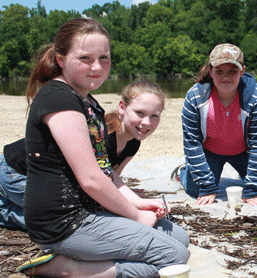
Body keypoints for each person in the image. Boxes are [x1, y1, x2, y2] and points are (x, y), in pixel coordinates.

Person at [16, 18, 189, 278]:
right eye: (85, 58)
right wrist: (135, 216)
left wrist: (140, 204)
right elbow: (91, 179)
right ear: (61, 59)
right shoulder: (58, 98)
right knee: (174, 256)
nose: (96, 67)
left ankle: (93, 252)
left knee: (180, 237)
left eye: (103, 58)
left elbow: (106, 171)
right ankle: (67, 267)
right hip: (65, 222)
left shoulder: (87, 101)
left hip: (91, 211)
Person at [0, 80, 168, 230]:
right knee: (67, 221)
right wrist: (133, 206)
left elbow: (111, 178)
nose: (146, 122)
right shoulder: (103, 135)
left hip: (48, 179)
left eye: (154, 116)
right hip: (16, 170)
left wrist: (135, 201)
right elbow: (93, 185)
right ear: (122, 108)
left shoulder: (133, 143)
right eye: (140, 113)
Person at [177, 43, 257, 207]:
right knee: (196, 190)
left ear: (242, 71)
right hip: (210, 152)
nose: (226, 77)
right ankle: (183, 171)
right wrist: (207, 186)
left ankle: (247, 174)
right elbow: (192, 143)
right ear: (210, 71)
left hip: (245, 152)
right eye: (219, 71)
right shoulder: (195, 96)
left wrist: (251, 189)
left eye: (233, 71)